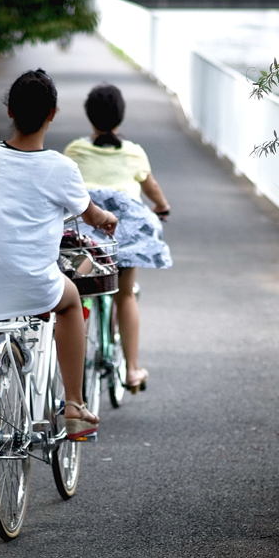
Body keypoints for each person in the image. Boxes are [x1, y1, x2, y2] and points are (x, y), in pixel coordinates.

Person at [0, 69, 118, 440]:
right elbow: (91, 215)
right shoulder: (60, 168)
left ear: (9, 111)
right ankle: (74, 405)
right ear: (53, 114)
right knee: (71, 300)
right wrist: (106, 218)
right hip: (33, 281)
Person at [64, 83, 172, 393]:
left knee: (79, 293)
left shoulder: (75, 150)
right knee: (124, 294)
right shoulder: (134, 152)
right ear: (120, 117)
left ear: (89, 117)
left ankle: (74, 366)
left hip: (84, 231)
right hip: (121, 232)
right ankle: (133, 369)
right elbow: (151, 188)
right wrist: (162, 208)